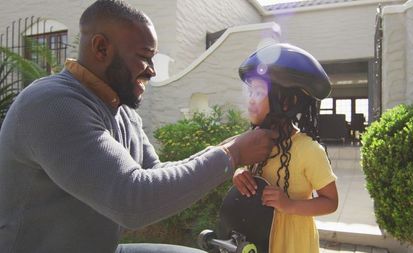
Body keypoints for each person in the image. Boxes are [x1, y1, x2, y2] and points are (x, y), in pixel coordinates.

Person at [0, 1, 277, 253]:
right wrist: (232, 156)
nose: (152, 70)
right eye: (145, 56)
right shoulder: (53, 105)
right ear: (101, 48)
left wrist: (223, 149)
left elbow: (153, 174)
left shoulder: (121, 109)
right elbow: (133, 200)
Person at [233, 43, 339, 253]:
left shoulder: (309, 150)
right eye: (250, 91)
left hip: (293, 244)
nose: (251, 99)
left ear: (288, 102)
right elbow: (249, 171)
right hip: (258, 237)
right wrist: (239, 173)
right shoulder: (254, 141)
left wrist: (289, 205)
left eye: (259, 91)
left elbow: (331, 202)